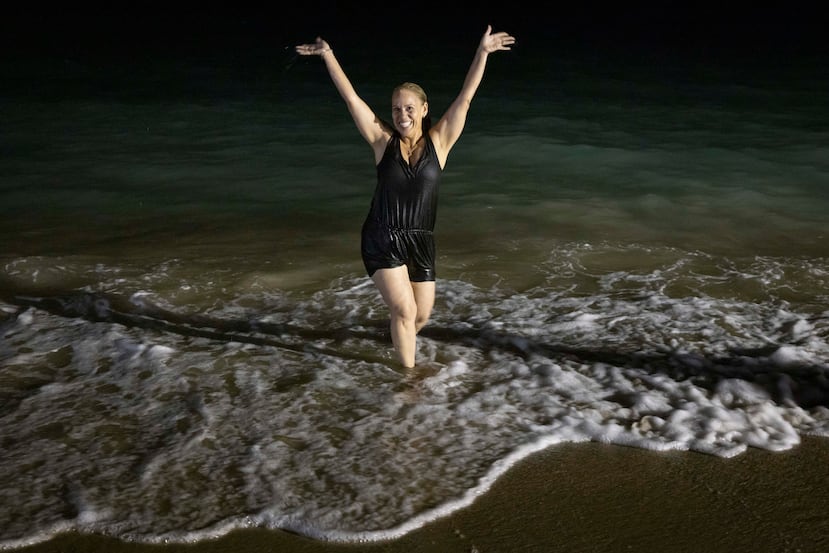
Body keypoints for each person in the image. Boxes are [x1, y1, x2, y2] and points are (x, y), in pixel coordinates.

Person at [295, 25, 515, 368]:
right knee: (404, 310)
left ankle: (398, 336)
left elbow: (465, 98)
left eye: (409, 108)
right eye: (397, 109)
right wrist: (328, 55)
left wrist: (482, 53)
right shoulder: (382, 141)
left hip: (421, 240)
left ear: (424, 110)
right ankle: (406, 384)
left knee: (420, 317)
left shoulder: (440, 142)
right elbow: (352, 99)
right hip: (382, 235)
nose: (402, 115)